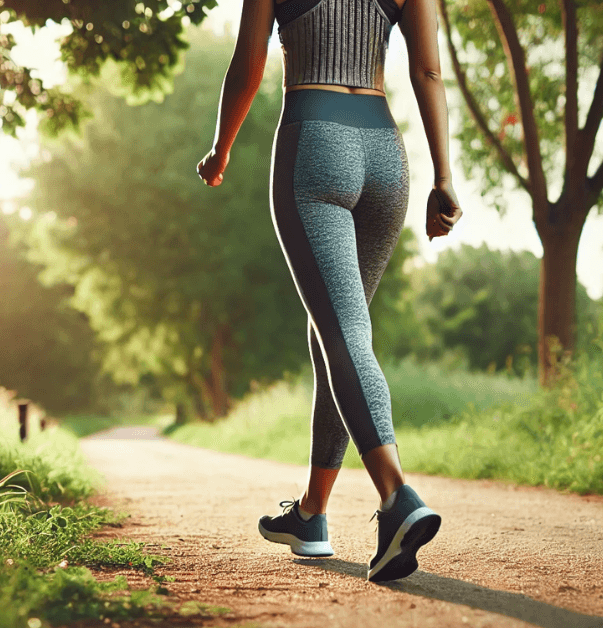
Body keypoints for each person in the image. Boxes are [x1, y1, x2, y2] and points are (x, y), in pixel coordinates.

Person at [196, 0, 462, 582]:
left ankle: (397, 498)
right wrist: (443, 176)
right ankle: (312, 513)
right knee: (336, 337)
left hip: (314, 146)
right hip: (386, 159)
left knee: (344, 334)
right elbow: (429, 72)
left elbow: (249, 59)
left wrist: (223, 147)